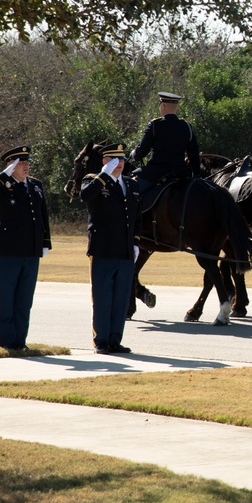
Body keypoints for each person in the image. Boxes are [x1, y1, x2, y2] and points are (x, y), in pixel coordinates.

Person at [0, 146, 52, 352]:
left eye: (27, 163)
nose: (26, 166)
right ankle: (7, 340)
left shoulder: (35, 185)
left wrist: (45, 242)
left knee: (24, 300)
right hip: (8, 251)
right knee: (6, 299)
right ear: (11, 166)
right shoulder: (2, 184)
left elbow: (42, 215)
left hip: (31, 251)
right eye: (21, 163)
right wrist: (4, 175)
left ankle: (20, 340)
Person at [79, 143, 142, 354]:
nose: (120, 164)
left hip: (124, 250)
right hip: (103, 249)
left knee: (121, 298)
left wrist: (135, 241)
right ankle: (102, 340)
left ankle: (115, 339)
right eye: (115, 160)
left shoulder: (131, 185)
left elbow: (136, 217)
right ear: (105, 161)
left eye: (122, 160)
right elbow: (86, 196)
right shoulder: (93, 180)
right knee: (103, 297)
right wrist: (103, 175)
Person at [129, 91, 200, 191]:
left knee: (130, 191)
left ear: (163, 106)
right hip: (181, 174)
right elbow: (194, 154)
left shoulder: (155, 125)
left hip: (156, 173)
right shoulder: (186, 126)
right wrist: (196, 174)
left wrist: (134, 155)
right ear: (177, 107)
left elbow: (142, 151)